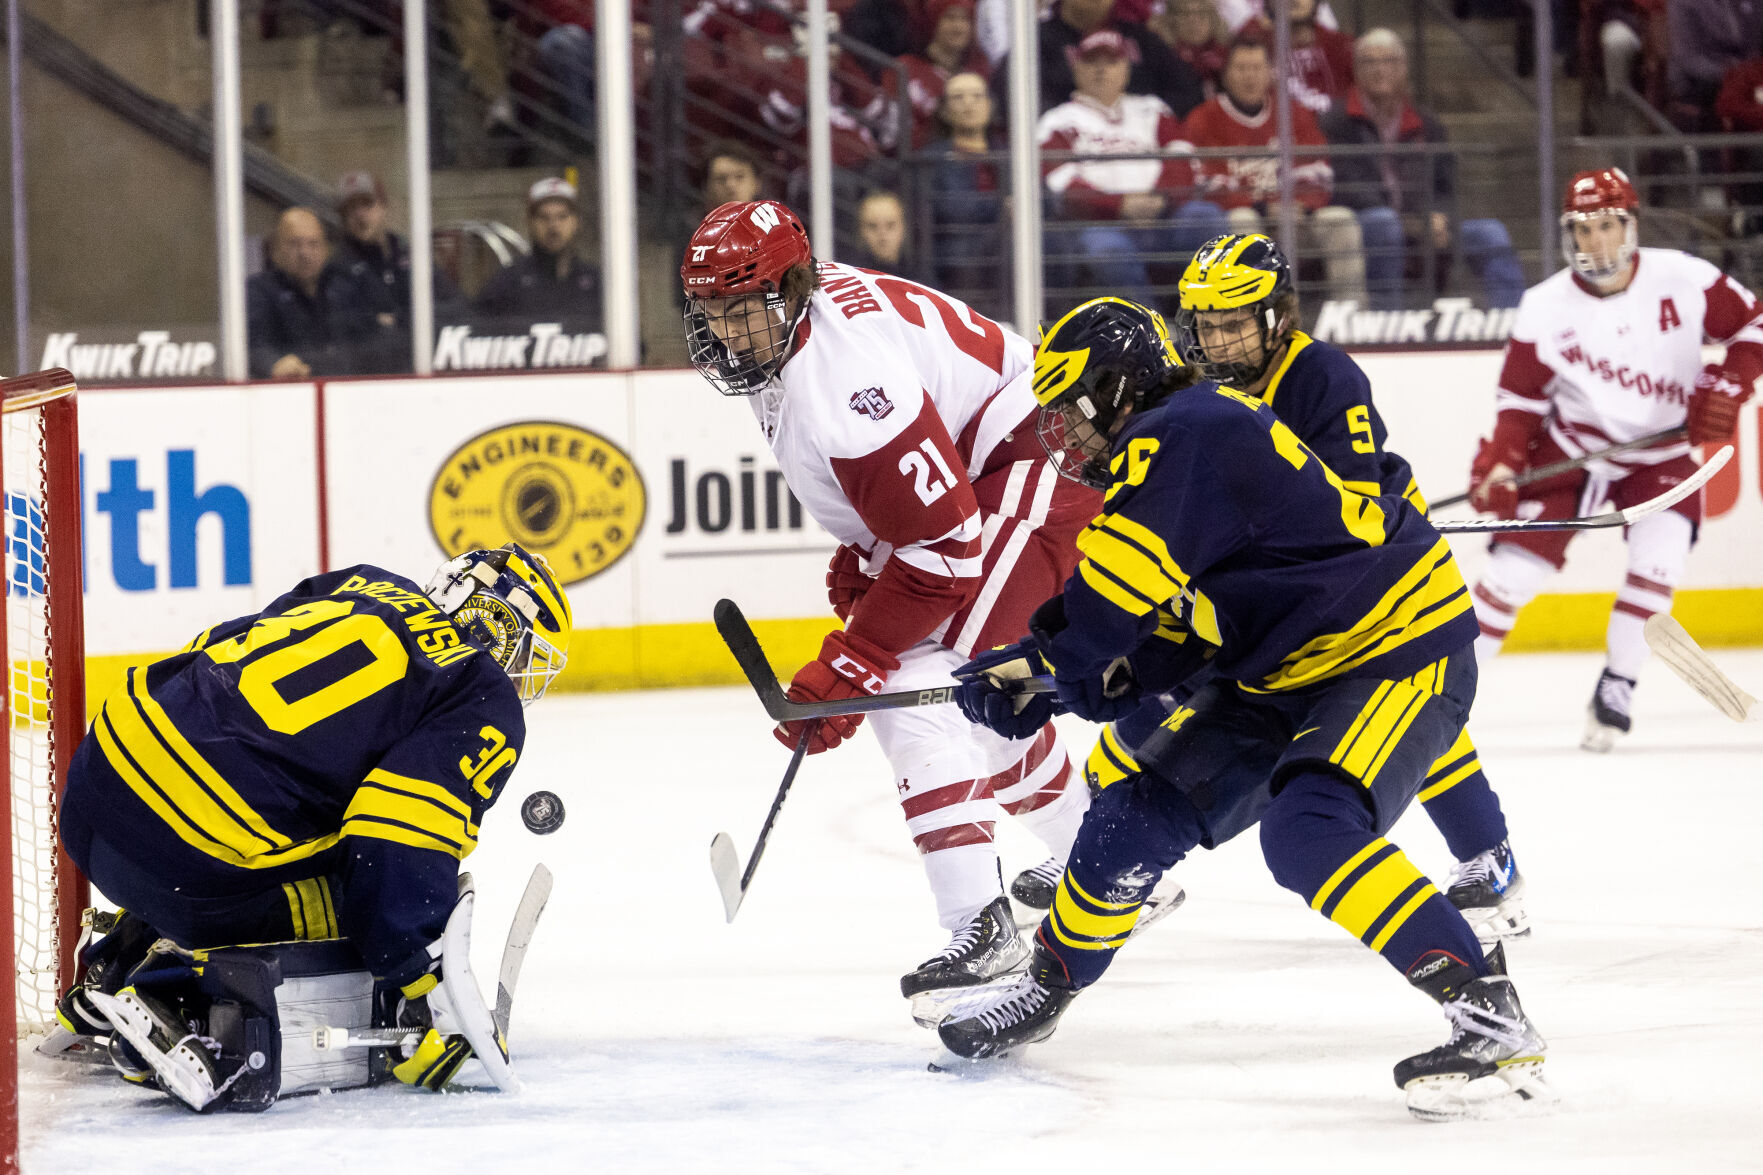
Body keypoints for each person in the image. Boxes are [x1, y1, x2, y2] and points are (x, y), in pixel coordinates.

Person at [938, 291, 1548, 1122]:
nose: (1065, 434)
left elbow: (1114, 600)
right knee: (1138, 806)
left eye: (1070, 408)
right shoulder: (1179, 440)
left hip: (1390, 649)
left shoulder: (1180, 432)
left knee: (1310, 831)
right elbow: (1179, 628)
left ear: (1117, 389)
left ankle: (1486, 1009)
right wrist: (1064, 683)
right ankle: (1047, 981)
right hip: (1284, 660)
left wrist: (1042, 661)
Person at [679, 199, 1111, 1025]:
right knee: (974, 702)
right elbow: (921, 509)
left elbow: (944, 551)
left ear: (794, 287)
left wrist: (856, 654)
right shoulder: (792, 333)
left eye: (740, 308)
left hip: (1037, 461)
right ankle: (1105, 862)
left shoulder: (845, 383)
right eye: (708, 311)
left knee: (925, 676)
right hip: (987, 468)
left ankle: (981, 929)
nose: (724, 331)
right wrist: (875, 559)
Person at [1045, 235, 1528, 940]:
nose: (1217, 339)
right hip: (1266, 595)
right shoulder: (1193, 391)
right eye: (1204, 324)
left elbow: (1348, 509)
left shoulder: (1319, 375)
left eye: (1233, 322)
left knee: (1404, 723)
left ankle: (1489, 856)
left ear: (1277, 317)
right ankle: (1095, 847)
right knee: (1176, 696)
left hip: (1355, 584)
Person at [52, 544, 573, 1110]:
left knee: (279, 817)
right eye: (524, 649)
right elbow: (396, 832)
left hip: (93, 785)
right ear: (500, 628)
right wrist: (423, 989)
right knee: (359, 897)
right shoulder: (480, 689)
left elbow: (219, 645)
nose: (522, 672)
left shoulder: (367, 582)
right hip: (187, 853)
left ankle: (117, 957)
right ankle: (183, 1001)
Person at [1465, 168, 1763, 751]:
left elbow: (1755, 324)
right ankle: (1443, 697)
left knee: (1660, 565)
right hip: (1571, 453)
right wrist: (1502, 461)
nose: (1594, 242)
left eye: (1606, 226)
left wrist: (1729, 382)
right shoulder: (1543, 305)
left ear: (1630, 225)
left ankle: (1618, 685)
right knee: (1508, 579)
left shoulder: (1683, 277)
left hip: (1662, 456)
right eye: (1582, 230)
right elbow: (1520, 403)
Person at [1319, 29, 1525, 310]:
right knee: (1384, 223)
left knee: (1490, 233)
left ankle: (1513, 324)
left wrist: (1438, 216)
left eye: (1389, 61)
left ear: (1403, 69)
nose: (1380, 69)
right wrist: (1410, 221)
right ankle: (1387, 325)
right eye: (1370, 62)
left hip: (1422, 222)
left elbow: (1445, 185)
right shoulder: (1336, 122)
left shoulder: (1426, 123)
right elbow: (1348, 188)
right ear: (1356, 70)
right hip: (1368, 225)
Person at [1038, 30, 1229, 311]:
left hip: (1163, 216)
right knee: (1106, 251)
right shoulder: (1057, 121)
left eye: (1111, 62)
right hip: (1102, 224)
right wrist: (1121, 205)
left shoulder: (1152, 109)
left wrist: (1160, 198)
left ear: (1126, 69)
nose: (1102, 70)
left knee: (1205, 217)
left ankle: (1210, 320)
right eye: (1092, 62)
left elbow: (1183, 158)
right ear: (1076, 68)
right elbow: (1060, 182)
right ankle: (1156, 334)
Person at [1181, 38, 1366, 303]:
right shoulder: (1204, 118)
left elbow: (1318, 170)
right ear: (1226, 74)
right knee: (1243, 222)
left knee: (1341, 220)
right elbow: (1206, 182)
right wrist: (1263, 207)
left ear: (1270, 72)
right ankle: (1261, 324)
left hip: (1296, 217)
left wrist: (1301, 204)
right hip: (1247, 219)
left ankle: (1351, 319)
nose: (1250, 77)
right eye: (1242, 68)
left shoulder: (1293, 113)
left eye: (1257, 68)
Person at [333, 171, 464, 370]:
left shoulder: (410, 255)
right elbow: (345, 325)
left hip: (423, 365)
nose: (359, 215)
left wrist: (403, 319)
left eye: (367, 204)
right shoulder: (338, 267)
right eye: (350, 210)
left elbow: (455, 304)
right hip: (370, 375)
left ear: (383, 206)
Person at [246, 207, 377, 379]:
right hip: (290, 395)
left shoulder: (344, 287)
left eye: (313, 243)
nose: (305, 253)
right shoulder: (259, 291)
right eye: (294, 243)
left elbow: (371, 340)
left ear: (325, 249)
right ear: (276, 250)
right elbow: (254, 345)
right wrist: (274, 364)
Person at [1026, 0, 1205, 120]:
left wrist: (1143, 117)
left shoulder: (1140, 38)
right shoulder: (1037, 39)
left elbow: (1188, 92)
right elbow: (1023, 100)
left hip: (1142, 142)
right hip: (1071, 142)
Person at [475, 178, 605, 338]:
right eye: (544, 217)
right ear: (530, 222)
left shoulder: (596, 282)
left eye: (562, 216)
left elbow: (630, 344)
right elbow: (478, 336)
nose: (553, 226)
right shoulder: (509, 281)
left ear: (575, 221)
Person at [929, 71, 1008, 311]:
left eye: (976, 96)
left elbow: (1045, 201)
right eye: (958, 97)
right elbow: (952, 209)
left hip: (1006, 241)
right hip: (960, 244)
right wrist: (1003, 207)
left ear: (990, 105)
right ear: (944, 110)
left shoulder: (1009, 153)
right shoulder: (932, 159)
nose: (969, 104)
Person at [902, 0, 991, 148]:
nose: (958, 27)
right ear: (934, 22)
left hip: (972, 159)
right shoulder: (906, 68)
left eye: (965, 19)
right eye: (950, 18)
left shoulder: (980, 70)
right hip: (925, 162)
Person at [849, 190, 931, 285]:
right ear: (861, 231)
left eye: (890, 225)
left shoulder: (922, 282)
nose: (882, 234)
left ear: (903, 228)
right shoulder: (850, 280)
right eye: (873, 226)